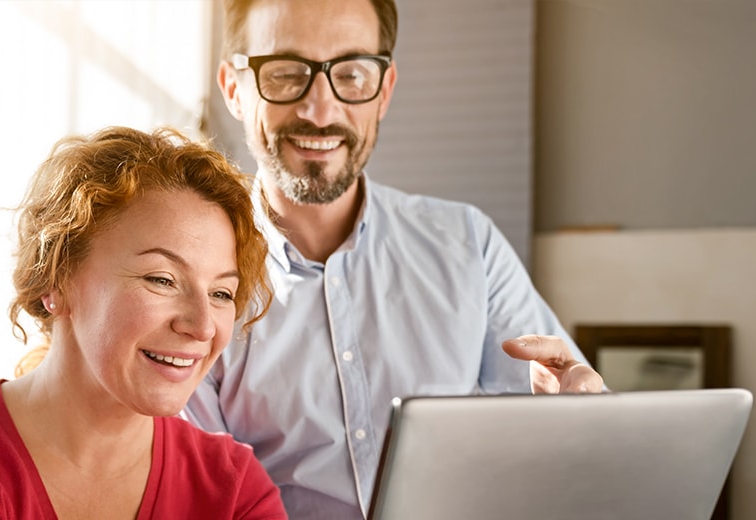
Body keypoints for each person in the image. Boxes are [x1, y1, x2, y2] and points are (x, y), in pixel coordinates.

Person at [183, 0, 606, 518]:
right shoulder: (192, 279)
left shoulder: (469, 243)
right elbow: (199, 492)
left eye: (353, 74)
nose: (320, 110)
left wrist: (578, 415)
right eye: (287, 73)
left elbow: (553, 433)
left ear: (383, 91)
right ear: (233, 87)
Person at [0, 126, 288, 519]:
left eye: (221, 293)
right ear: (56, 282)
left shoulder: (234, 491)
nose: (204, 326)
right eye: (161, 279)